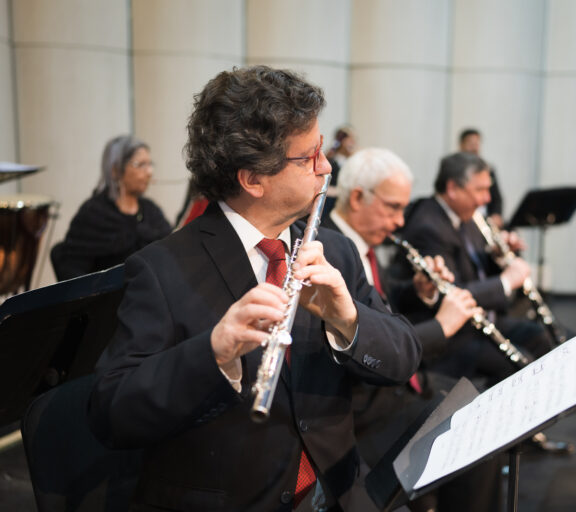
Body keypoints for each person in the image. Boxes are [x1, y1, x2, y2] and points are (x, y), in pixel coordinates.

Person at [87, 66, 421, 512]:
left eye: (322, 150)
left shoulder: (334, 249)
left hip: (337, 492)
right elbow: (112, 413)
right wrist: (212, 352)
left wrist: (348, 318)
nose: (326, 168)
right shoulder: (161, 268)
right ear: (253, 179)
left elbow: (403, 357)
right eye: (309, 158)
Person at [327, 147, 500, 512]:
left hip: (398, 386)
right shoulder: (331, 250)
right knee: (474, 439)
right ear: (357, 197)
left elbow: (380, 309)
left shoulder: (363, 246)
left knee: (485, 413)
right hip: (366, 408)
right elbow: (367, 343)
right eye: (393, 207)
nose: (401, 221)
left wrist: (420, 293)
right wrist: (441, 325)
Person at [392, 152, 552, 385]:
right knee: (517, 366)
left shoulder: (467, 217)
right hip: (453, 337)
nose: (487, 199)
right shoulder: (428, 226)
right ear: (453, 188)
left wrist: (499, 257)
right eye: (480, 190)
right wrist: (505, 282)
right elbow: (453, 294)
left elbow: (478, 270)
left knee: (538, 337)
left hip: (483, 320)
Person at [51, 135, 171, 280]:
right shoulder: (93, 213)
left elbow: (168, 257)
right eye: (140, 165)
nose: (149, 172)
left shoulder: (151, 211)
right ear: (115, 170)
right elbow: (72, 273)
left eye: (150, 164)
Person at [458, 128, 504, 228]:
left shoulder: (488, 170)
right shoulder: (455, 170)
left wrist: (496, 214)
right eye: (471, 144)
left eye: (477, 144)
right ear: (461, 145)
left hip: (485, 220)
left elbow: (496, 198)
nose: (474, 148)